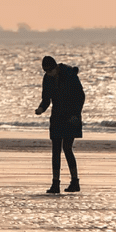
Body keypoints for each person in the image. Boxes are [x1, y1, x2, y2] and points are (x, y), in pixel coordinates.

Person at [35, 55, 85, 194]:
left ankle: (75, 182)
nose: (48, 74)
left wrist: (75, 114)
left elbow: (80, 96)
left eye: (50, 71)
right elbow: (46, 98)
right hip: (56, 116)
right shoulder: (47, 78)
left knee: (67, 148)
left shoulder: (69, 74)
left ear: (55, 67)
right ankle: (55, 183)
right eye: (45, 71)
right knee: (55, 150)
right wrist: (41, 109)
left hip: (71, 116)